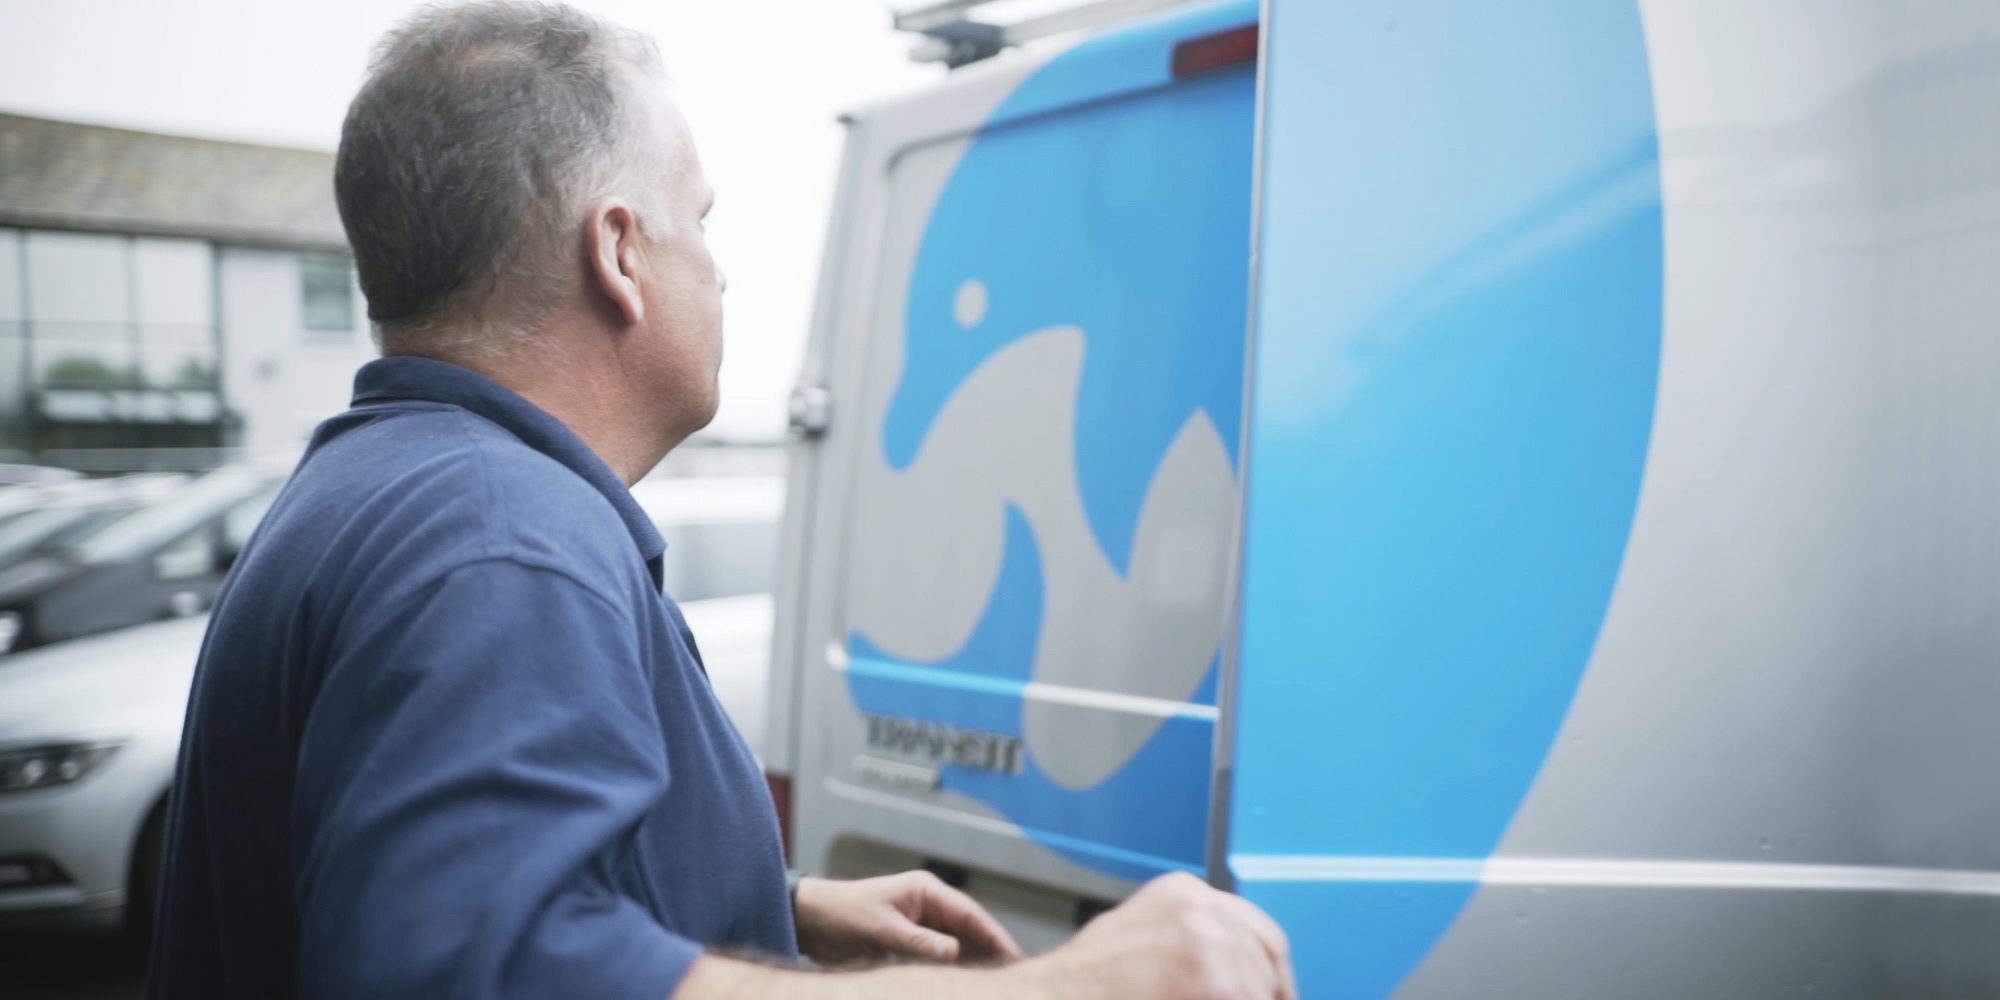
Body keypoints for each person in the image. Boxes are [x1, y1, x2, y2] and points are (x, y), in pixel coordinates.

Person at [146, 3, 1295, 998]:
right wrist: (1072, 983)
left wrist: (766, 899)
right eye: (698, 218)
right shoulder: (501, 543)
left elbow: (430, 877)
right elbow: (479, 970)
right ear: (620, 254)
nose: (720, 265)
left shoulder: (383, 482)